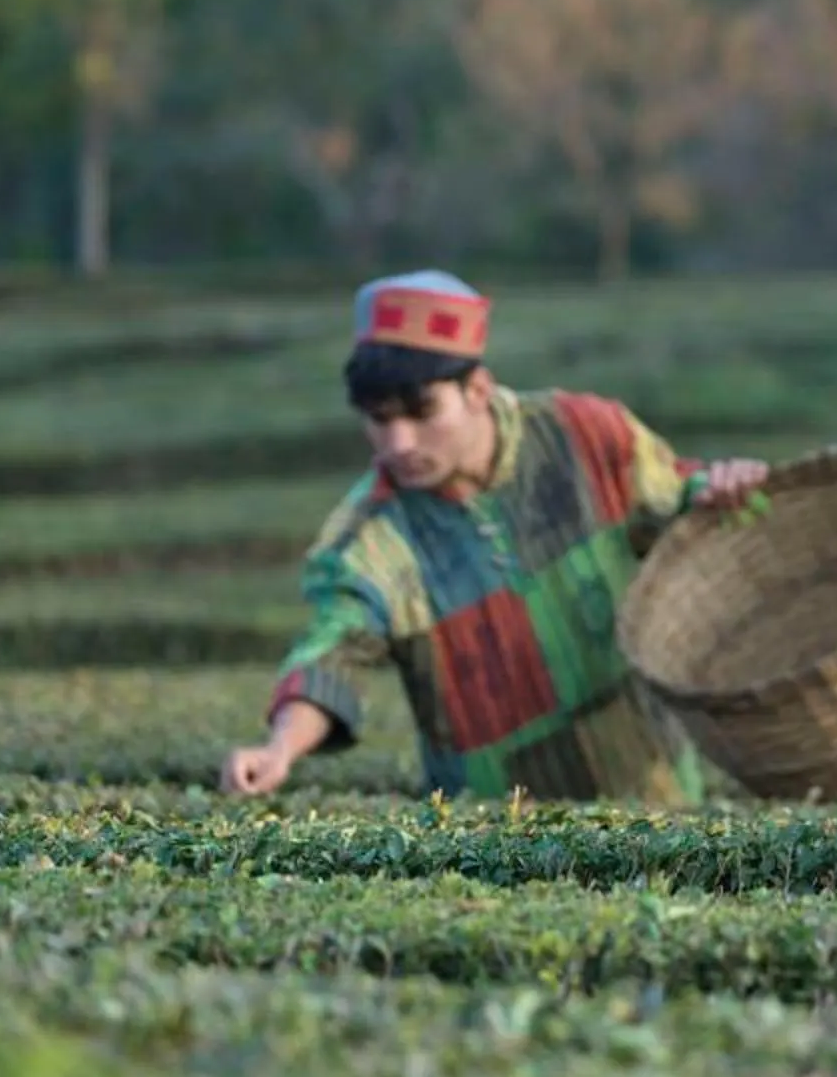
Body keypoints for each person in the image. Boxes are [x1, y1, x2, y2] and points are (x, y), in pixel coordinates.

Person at [220, 270, 770, 802]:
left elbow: (679, 506)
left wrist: (717, 490)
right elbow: (334, 651)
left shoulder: (586, 436)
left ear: (477, 388)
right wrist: (280, 750)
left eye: (421, 412)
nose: (399, 443)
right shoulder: (370, 540)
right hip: (497, 841)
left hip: (657, 800)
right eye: (378, 420)